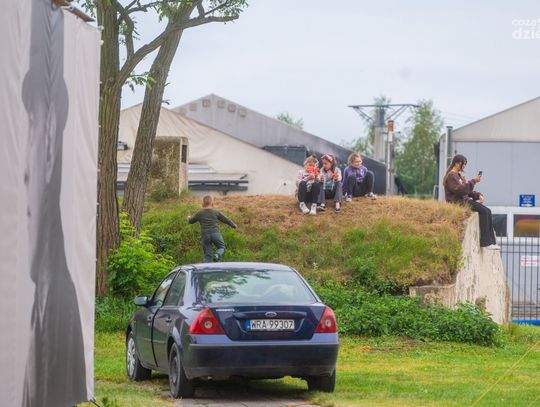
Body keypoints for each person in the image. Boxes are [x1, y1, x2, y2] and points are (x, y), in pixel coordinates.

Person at [443, 154, 498, 250]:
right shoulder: (451, 176)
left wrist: (478, 195)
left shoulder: (457, 175)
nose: (464, 166)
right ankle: (486, 243)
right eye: (463, 164)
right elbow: (460, 190)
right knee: (484, 211)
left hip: (463, 201)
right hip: (458, 203)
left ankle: (491, 242)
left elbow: (466, 191)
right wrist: (473, 181)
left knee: (487, 211)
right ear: (456, 163)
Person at [188, 195, 238, 262]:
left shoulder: (199, 213)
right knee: (221, 247)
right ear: (212, 203)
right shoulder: (216, 212)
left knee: (207, 255)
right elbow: (226, 219)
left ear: (203, 203)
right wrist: (233, 225)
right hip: (215, 233)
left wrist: (189, 218)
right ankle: (217, 255)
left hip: (205, 235)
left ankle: (207, 267)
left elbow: (191, 221)